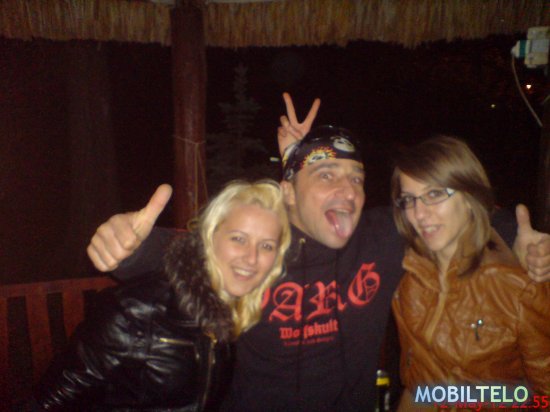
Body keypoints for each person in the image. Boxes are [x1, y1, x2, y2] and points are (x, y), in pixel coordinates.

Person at [86, 96, 550, 411]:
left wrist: (521, 236)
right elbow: (177, 250)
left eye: (355, 178)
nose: (347, 190)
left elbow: (452, 214)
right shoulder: (261, 246)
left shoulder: (382, 236)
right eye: (326, 176)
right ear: (288, 193)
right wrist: (125, 247)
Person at [33, 180, 291, 412]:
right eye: (238, 239)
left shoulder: (237, 314)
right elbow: (48, 403)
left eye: (266, 245)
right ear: (209, 238)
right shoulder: (135, 312)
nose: (252, 257)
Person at [389, 136, 550, 410]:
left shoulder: (516, 287)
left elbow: (543, 396)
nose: (419, 214)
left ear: (469, 197)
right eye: (409, 199)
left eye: (434, 194)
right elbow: (417, 387)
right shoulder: (408, 276)